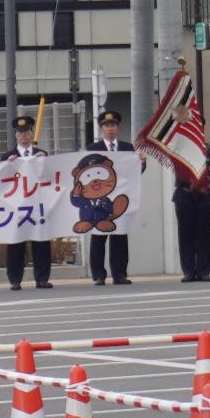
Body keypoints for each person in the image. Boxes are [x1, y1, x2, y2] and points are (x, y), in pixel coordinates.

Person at [2, 115, 53, 292]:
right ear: (15, 135)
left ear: (32, 134)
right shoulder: (8, 156)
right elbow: (0, 181)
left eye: (26, 132)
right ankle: (15, 279)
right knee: (16, 243)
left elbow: (51, 177)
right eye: (20, 133)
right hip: (16, 207)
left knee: (41, 242)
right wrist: (6, 166)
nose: (23, 135)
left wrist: (45, 161)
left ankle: (42, 278)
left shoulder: (42, 154)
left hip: (38, 205)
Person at [88, 109, 136, 286]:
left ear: (118, 128)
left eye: (113, 125)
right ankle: (98, 274)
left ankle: (119, 274)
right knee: (98, 237)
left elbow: (135, 173)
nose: (110, 129)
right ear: (101, 129)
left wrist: (142, 164)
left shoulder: (128, 148)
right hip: (99, 200)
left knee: (120, 236)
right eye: (106, 126)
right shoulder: (92, 149)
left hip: (120, 198)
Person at [172, 141, 210, 282]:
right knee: (185, 235)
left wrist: (204, 180)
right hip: (184, 194)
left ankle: (203, 271)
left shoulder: (209, 148)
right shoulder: (179, 147)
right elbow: (177, 166)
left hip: (203, 194)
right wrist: (191, 180)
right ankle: (189, 271)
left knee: (204, 235)